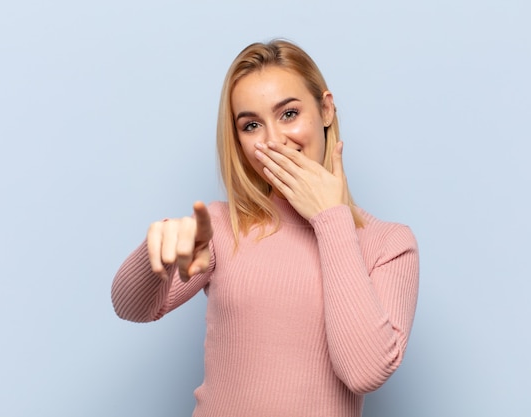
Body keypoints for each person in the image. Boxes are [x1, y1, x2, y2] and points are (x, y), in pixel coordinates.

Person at [111, 39, 419, 417]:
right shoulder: (224, 227)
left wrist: (331, 218)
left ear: (325, 109)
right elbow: (133, 308)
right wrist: (153, 254)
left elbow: (364, 372)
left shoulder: (389, 244)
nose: (273, 141)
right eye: (252, 125)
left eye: (289, 114)